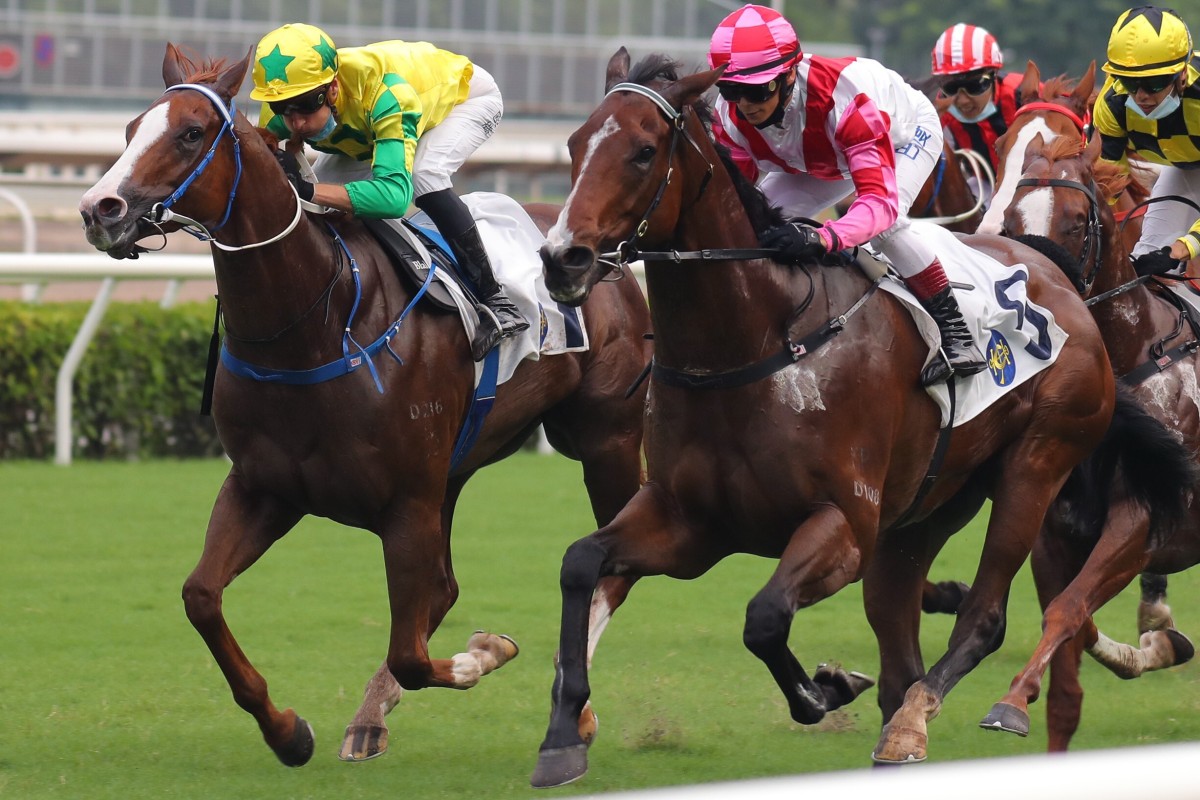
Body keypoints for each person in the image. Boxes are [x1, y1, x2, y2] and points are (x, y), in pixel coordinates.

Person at [709, 4, 986, 385]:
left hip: (904, 136)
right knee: (756, 226)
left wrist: (821, 236)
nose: (745, 104)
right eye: (731, 89)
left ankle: (958, 335)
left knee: (885, 228)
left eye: (757, 90)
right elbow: (734, 206)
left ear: (789, 76)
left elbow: (880, 204)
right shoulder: (730, 116)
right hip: (826, 156)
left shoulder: (845, 99)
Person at [250, 23, 527, 361]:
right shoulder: (286, 99)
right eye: (282, 108)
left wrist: (308, 187)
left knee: (424, 175)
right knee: (318, 208)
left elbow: (395, 198)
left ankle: (496, 300)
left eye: (306, 105)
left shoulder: (386, 95)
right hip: (368, 129)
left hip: (464, 100)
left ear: (333, 88)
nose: (296, 123)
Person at [1093, 5, 1200, 277]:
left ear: (1182, 76)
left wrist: (1180, 248)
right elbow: (1109, 183)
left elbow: (1181, 249)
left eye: (1153, 83)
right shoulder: (1112, 104)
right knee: (1147, 259)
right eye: (1129, 82)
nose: (1141, 96)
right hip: (1185, 167)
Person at [931, 23, 1029, 183]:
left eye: (974, 86)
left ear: (993, 75)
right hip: (982, 184)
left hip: (1031, 183)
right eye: (951, 88)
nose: (962, 100)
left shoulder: (1022, 92)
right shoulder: (941, 106)